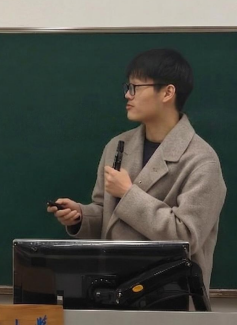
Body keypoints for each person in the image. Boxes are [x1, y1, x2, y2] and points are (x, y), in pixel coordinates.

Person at [49, 48, 226, 288]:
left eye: (135, 87)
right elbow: (107, 214)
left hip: (170, 296)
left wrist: (128, 194)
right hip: (113, 289)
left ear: (167, 92)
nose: (127, 95)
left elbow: (186, 237)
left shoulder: (201, 160)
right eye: (127, 87)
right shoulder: (118, 146)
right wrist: (81, 217)